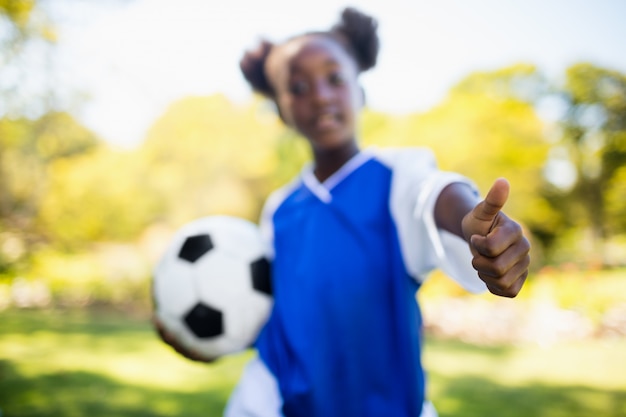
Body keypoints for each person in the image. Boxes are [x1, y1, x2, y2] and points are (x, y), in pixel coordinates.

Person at [155, 7, 530, 417]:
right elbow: (279, 316)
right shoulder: (280, 210)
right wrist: (209, 342)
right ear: (281, 110)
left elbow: (432, 195)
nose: (320, 95)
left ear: (360, 91)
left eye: (335, 78)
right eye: (298, 87)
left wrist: (468, 221)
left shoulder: (395, 176)